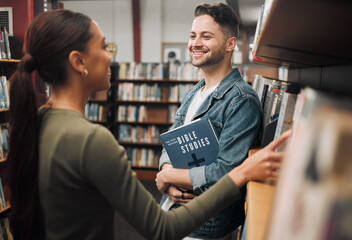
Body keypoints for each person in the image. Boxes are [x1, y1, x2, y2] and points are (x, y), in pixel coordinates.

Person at [6, 9, 290, 240]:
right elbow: (161, 230)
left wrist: (168, 174)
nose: (110, 56)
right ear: (78, 62)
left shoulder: (36, 123)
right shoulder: (91, 140)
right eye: (104, 46)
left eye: (205, 35)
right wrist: (242, 174)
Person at [156, 3, 262, 239]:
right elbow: (171, 141)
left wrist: (168, 177)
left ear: (230, 44)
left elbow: (226, 171)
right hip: (173, 210)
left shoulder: (242, 101)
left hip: (206, 224)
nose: (195, 43)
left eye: (206, 36)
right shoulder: (195, 92)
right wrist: (166, 171)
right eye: (193, 35)